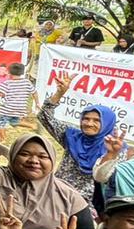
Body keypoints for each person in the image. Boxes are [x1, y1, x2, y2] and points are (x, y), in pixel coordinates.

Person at [39, 76, 117, 206]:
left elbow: (105, 179)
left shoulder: (114, 148)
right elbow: (44, 117)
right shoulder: (72, 136)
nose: (89, 123)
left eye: (96, 120)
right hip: (55, 193)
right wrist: (59, 93)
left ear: (107, 123)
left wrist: (110, 155)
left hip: (86, 204)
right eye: (86, 119)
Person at [0, 63, 34, 129]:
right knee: (14, 122)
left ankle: (1, 135)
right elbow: (34, 92)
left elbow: (1, 94)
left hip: (7, 109)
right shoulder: (27, 82)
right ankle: (31, 125)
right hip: (20, 109)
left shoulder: (7, 83)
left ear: (9, 72)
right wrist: (37, 103)